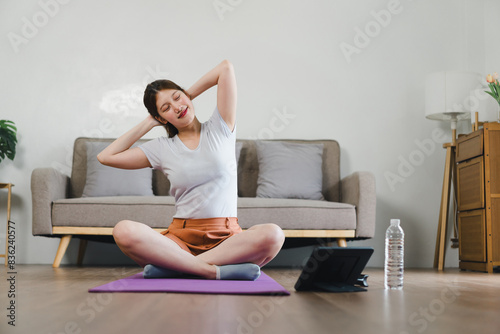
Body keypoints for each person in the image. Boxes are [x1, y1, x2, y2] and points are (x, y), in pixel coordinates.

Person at [97, 60, 285, 280]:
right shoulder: (161, 148)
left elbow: (225, 68)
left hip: (227, 240)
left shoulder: (220, 127)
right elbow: (106, 157)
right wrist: (149, 123)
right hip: (179, 240)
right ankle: (213, 271)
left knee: (273, 235)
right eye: (165, 108)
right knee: (123, 230)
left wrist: (185, 96)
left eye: (177, 97)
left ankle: (178, 268)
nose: (176, 107)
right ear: (160, 118)